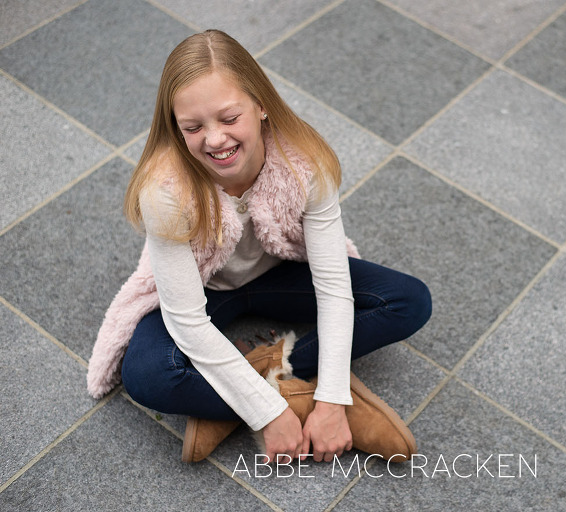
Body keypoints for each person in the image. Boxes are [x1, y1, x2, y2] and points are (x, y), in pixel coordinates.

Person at [86, 29, 431, 465]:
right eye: (193, 127)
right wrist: (270, 413)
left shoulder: (304, 162)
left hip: (280, 272)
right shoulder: (165, 191)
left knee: (409, 301)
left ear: (261, 105)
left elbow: (332, 287)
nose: (215, 139)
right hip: (204, 287)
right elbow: (187, 322)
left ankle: (253, 389)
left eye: (229, 118)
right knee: (147, 376)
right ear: (175, 128)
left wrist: (331, 400)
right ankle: (295, 398)